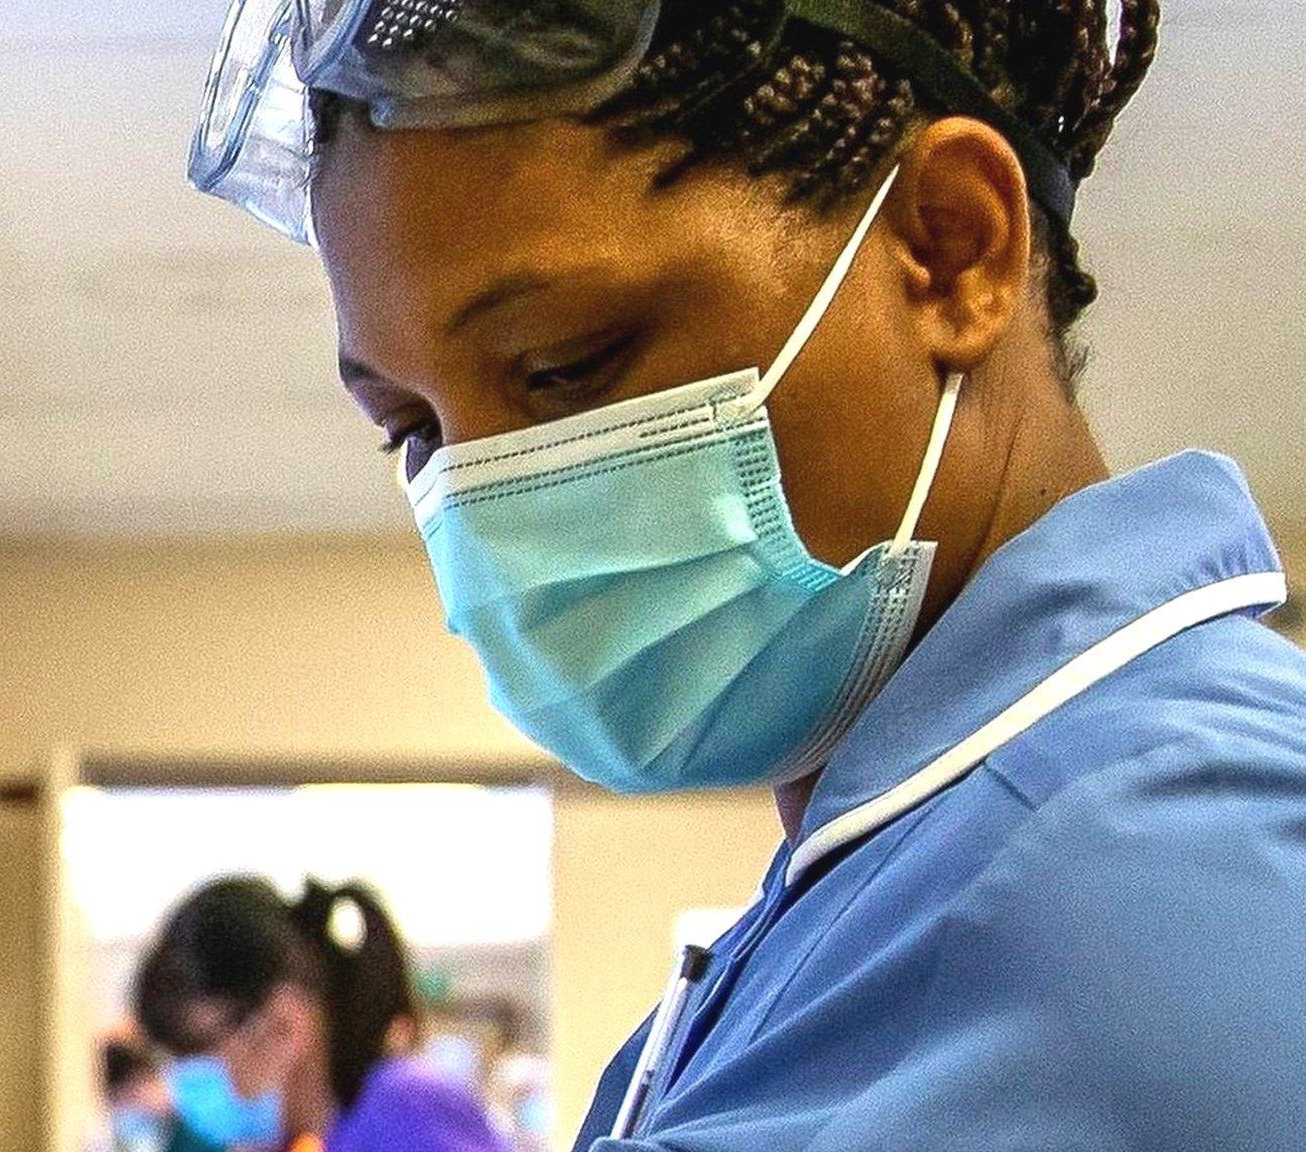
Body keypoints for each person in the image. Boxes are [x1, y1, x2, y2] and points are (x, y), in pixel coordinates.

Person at [182, 1, 1306, 1149]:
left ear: (949, 247)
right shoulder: (879, 906)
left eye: (568, 366)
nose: (489, 503)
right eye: (409, 429)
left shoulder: (1174, 877)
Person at [135, 877, 510, 1152]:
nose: (186, 1086)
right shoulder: (346, 1130)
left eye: (198, 1052)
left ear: (285, 1024)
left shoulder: (402, 1113)